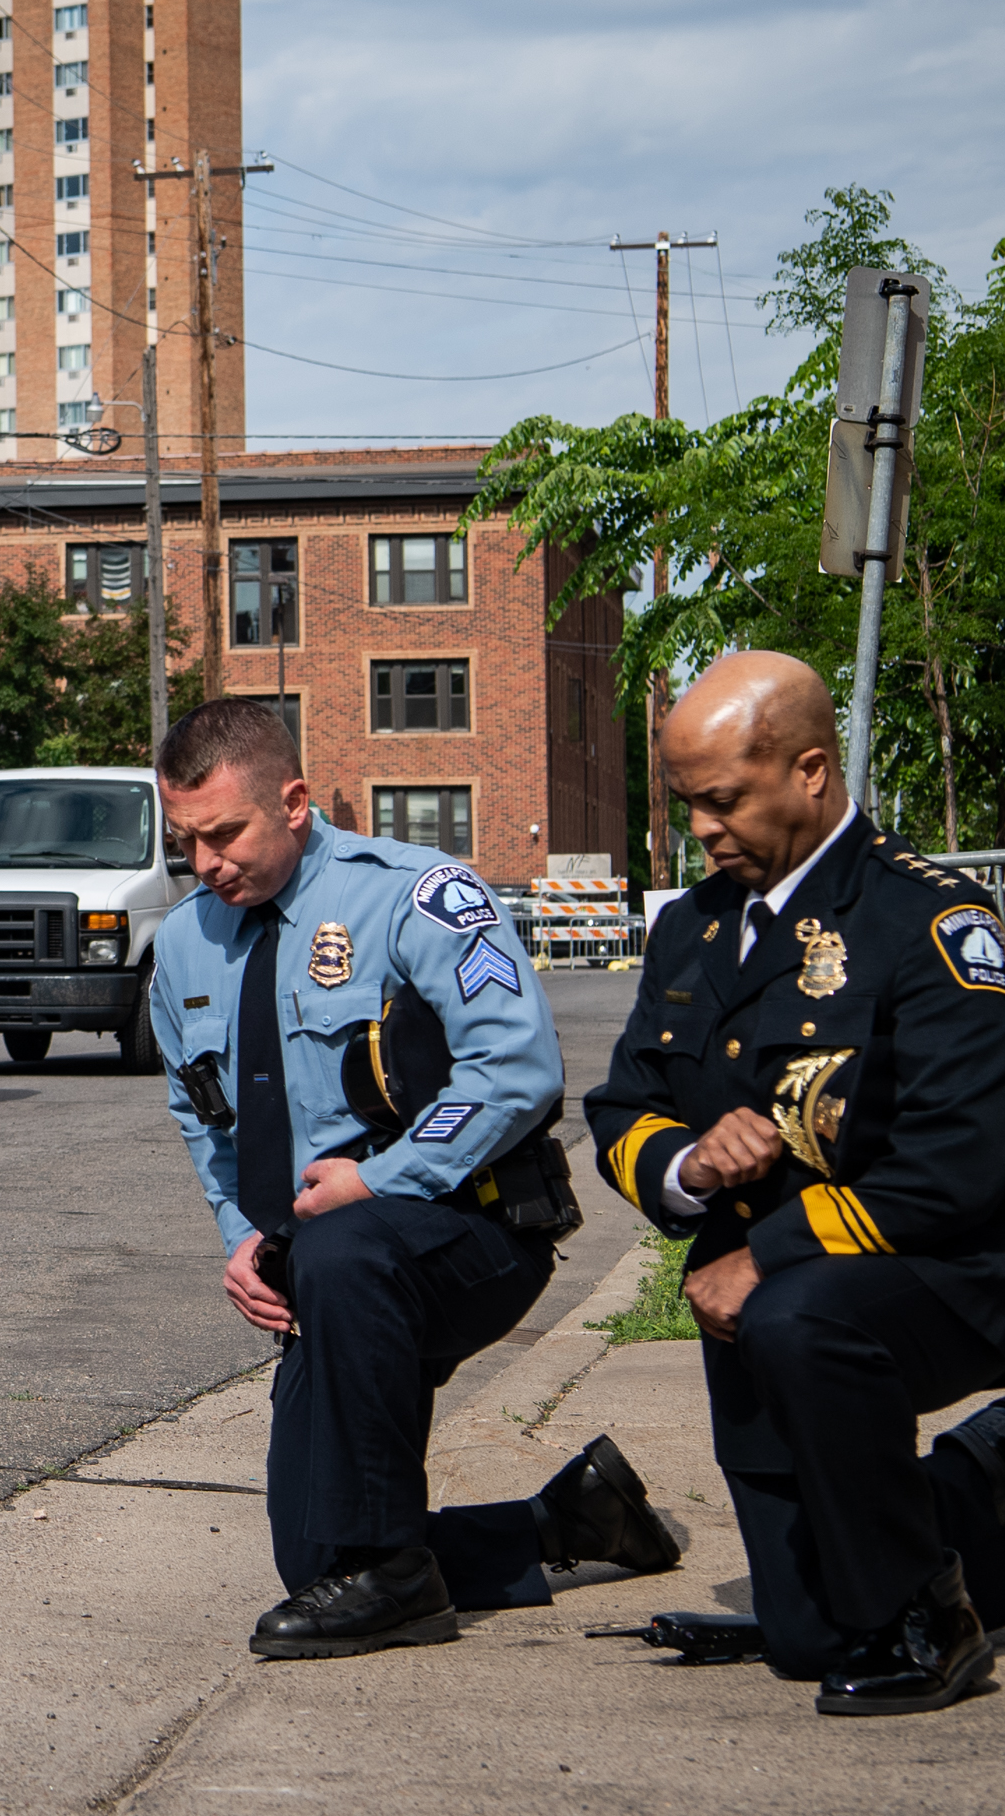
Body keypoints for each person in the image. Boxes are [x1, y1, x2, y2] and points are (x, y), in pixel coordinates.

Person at [585, 651, 1005, 1715]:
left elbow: (961, 1159)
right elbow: (621, 1104)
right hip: (757, 1305)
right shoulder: (689, 927)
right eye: (688, 804)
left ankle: (929, 1616)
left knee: (797, 1318)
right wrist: (688, 1161)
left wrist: (764, 1253)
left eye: (724, 799)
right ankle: (984, 1477)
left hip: (937, 1269)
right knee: (805, 1635)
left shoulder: (925, 919)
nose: (702, 829)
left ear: (811, 770)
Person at [152, 697, 679, 1659]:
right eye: (184, 840)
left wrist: (381, 1178)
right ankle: (568, 1519)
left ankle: (399, 1577)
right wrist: (240, 1234)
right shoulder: (187, 942)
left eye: (223, 834)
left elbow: (515, 1067)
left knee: (345, 1247)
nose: (206, 862)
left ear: (294, 802)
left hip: (471, 1233)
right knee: (316, 1557)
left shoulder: (415, 895)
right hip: (331, 1272)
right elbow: (202, 1112)